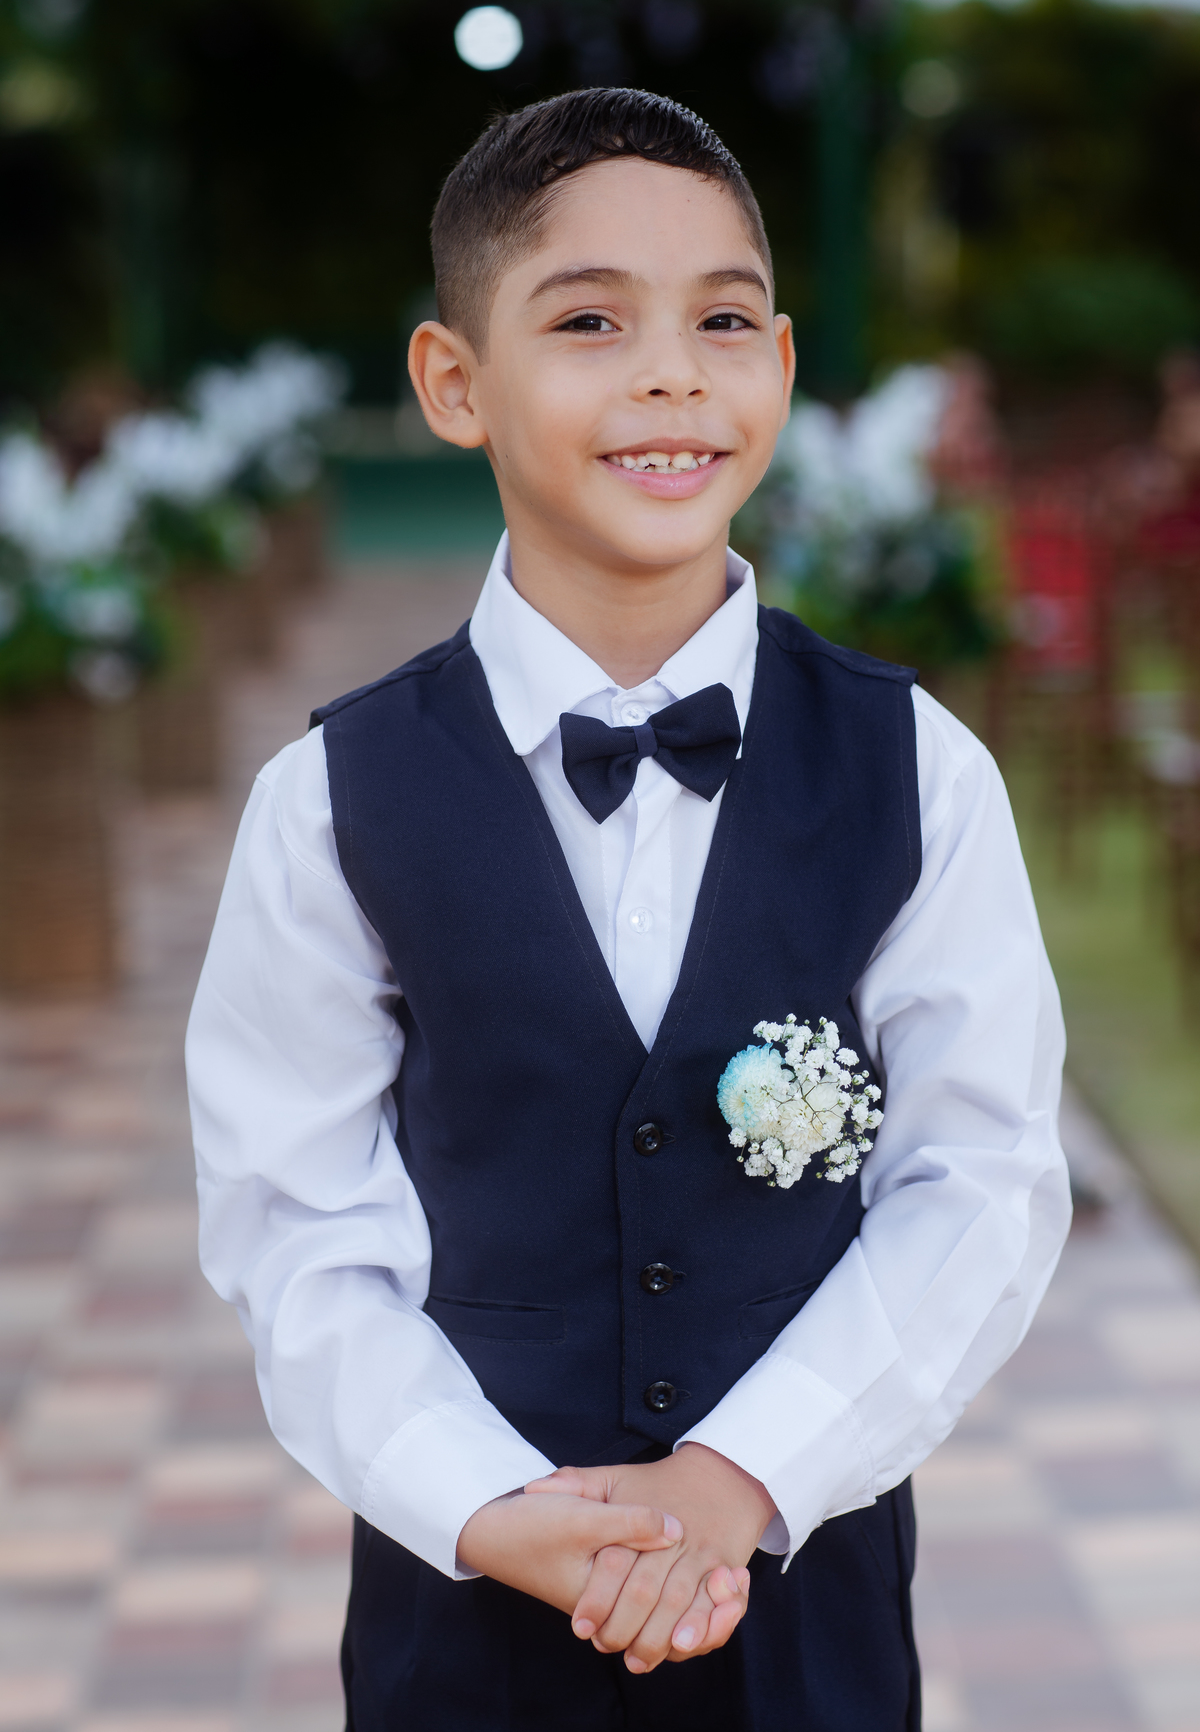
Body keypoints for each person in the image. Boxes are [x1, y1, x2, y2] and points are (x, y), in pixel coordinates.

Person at [186, 88, 1070, 1731]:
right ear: (455, 382)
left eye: (721, 322)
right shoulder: (326, 803)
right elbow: (295, 1228)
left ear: (782, 369)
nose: (671, 374)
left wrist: (744, 1473)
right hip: (468, 1621)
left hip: (805, 1608)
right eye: (590, 321)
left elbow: (982, 1180)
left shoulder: (921, 771)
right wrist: (485, 1503)